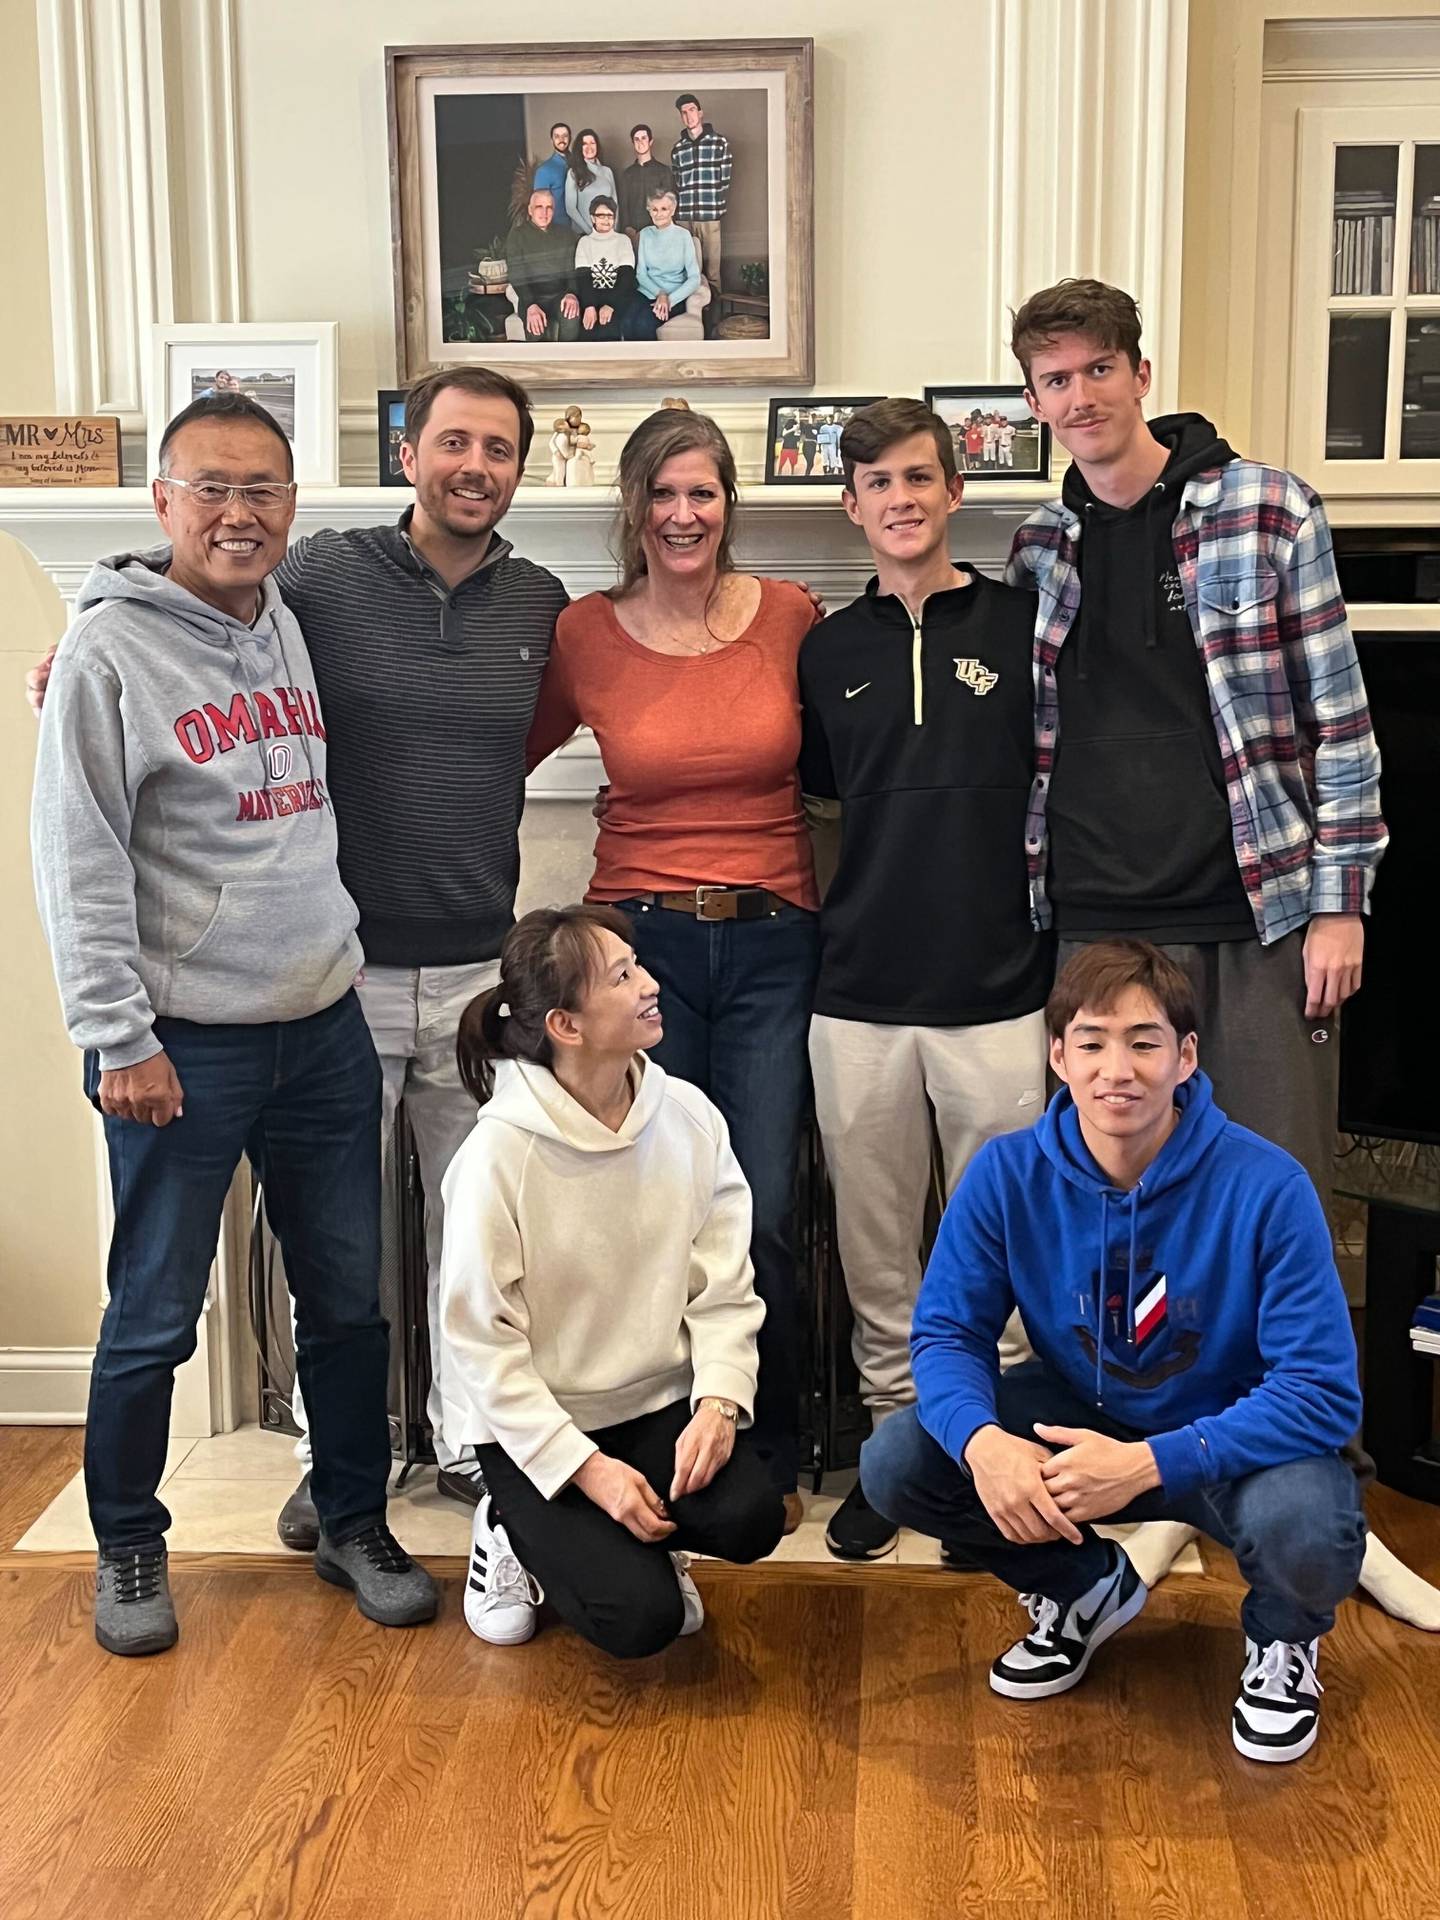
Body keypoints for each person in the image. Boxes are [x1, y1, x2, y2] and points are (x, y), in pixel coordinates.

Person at [30, 365, 572, 1544]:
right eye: (453, 443)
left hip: (451, 972)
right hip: (313, 988)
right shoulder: (314, 575)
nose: (475, 466)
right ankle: (303, 1479)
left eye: (499, 449)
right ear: (407, 455)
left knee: (458, 1239)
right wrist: (70, 655)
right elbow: (102, 797)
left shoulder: (529, 601)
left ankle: (453, 1454)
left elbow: (543, 733)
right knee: (264, 1279)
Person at [29, 391, 438, 1655]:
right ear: (162, 502)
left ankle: (354, 1516)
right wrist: (120, 1037)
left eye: (262, 488)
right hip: (179, 1042)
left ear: (293, 506)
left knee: (349, 1298)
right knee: (152, 1309)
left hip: (321, 1020)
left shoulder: (287, 622)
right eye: (210, 487)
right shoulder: (106, 656)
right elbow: (77, 859)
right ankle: (129, 1543)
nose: (237, 512)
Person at [861, 940, 1367, 1765]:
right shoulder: (1005, 1175)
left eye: (1143, 1041)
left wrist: (1146, 1465)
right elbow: (949, 1334)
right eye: (1092, 1042)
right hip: (1076, 1421)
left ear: (1185, 1056)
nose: (1116, 1069)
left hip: (1225, 1443)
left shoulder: (1268, 1185)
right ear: (1058, 1056)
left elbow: (1320, 1392)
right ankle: (1085, 1591)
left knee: (1311, 1527)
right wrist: (987, 1447)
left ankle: (1282, 1647)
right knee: (899, 1462)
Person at [1006, 276, 1387, 1206]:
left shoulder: (1270, 511)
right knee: (1115, 1204)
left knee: (1274, 1197)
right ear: (1032, 401)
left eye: (1099, 370)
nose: (1080, 396)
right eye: (1056, 380)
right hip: (1095, 923)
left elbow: (1339, 723)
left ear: (1141, 374)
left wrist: (1342, 908)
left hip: (1254, 916)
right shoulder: (1038, 551)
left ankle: (1287, 1363)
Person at [523, 407, 822, 1531]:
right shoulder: (584, 635)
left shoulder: (791, 616)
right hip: (634, 946)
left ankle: (768, 1440)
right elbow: (480, 745)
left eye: (703, 493)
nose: (683, 515)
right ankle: (648, 1434)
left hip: (773, 940)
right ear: (633, 509)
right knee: (652, 1199)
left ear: (730, 504)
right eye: (662, 494)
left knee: (767, 1201)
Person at [798, 399, 1053, 1559]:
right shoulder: (826, 650)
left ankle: (995, 1461)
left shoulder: (1026, 623)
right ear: (849, 506)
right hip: (855, 997)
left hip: (1002, 993)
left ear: (955, 490)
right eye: (876, 484)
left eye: (918, 477)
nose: (900, 499)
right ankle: (900, 1453)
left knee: (1004, 1244)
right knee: (877, 1247)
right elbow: (809, 810)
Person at [439, 905, 784, 1656]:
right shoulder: (496, 1157)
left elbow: (725, 1287)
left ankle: (637, 1536)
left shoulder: (688, 1117)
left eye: (638, 964)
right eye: (623, 976)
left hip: (652, 1401)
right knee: (640, 1623)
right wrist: (587, 1471)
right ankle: (504, 1524)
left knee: (753, 1518)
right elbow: (480, 1345)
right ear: (566, 1025)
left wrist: (719, 1403)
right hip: (533, 1425)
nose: (651, 984)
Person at [670, 92, 732, 307]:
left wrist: (713, 205)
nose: (689, 116)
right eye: (684, 112)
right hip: (685, 218)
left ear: (700, 113)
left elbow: (724, 180)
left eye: (692, 110)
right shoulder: (678, 149)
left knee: (712, 272)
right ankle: (692, 317)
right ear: (681, 117)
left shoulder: (719, 143)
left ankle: (713, 322)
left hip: (709, 216)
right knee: (688, 271)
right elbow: (678, 182)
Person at [507, 188, 581, 343]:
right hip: (531, 298)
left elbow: (572, 270)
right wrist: (530, 305)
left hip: (559, 296)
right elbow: (516, 275)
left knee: (571, 316)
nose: (544, 212)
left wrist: (571, 293)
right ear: (530, 210)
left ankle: (565, 363)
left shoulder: (565, 234)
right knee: (535, 326)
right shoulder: (518, 235)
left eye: (549, 207)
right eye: (539, 207)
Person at [629, 188, 701, 340]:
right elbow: (641, 273)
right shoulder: (645, 234)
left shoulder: (683, 236)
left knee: (644, 324)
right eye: (654, 209)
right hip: (647, 292)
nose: (658, 213)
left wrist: (668, 299)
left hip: (674, 297)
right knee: (626, 322)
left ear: (672, 210)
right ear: (649, 211)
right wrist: (659, 293)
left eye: (664, 209)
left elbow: (695, 277)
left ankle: (650, 363)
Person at [573, 196, 636, 342]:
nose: (606, 220)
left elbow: (626, 277)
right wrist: (589, 306)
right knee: (587, 331)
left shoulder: (622, 240)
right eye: (601, 216)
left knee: (609, 328)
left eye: (610, 216)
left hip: (618, 296)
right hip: (592, 295)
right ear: (592, 218)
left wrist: (610, 305)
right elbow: (583, 278)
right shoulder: (585, 242)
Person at [617, 122, 675, 247]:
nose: (640, 142)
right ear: (633, 143)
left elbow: (669, 203)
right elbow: (623, 204)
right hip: (634, 232)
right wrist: (628, 228)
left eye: (644, 138)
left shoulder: (663, 171)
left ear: (651, 142)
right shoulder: (627, 174)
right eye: (636, 139)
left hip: (659, 230)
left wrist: (663, 226)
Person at [563, 128, 617, 238]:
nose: (589, 147)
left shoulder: (607, 171)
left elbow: (615, 203)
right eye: (584, 144)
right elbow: (570, 208)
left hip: (608, 234)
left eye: (592, 143)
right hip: (585, 234)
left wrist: (614, 230)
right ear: (579, 148)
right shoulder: (573, 173)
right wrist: (591, 232)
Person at [532, 123, 574, 233]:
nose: (561, 139)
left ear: (570, 138)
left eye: (565, 136)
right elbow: (540, 205)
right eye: (557, 136)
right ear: (552, 140)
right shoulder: (544, 170)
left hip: (583, 226)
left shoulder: (579, 163)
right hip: (559, 228)